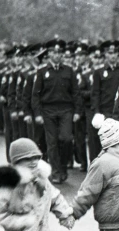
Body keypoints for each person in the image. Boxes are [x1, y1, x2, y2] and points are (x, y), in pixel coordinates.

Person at [31, 39, 82, 184]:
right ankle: (56, 171)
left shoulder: (69, 71)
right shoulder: (42, 72)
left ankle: (64, 166)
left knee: (66, 139)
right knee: (51, 142)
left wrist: (78, 111)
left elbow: (76, 92)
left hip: (66, 110)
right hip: (48, 111)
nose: (57, 55)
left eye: (59, 52)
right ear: (49, 54)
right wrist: (38, 114)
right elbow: (36, 95)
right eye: (54, 52)